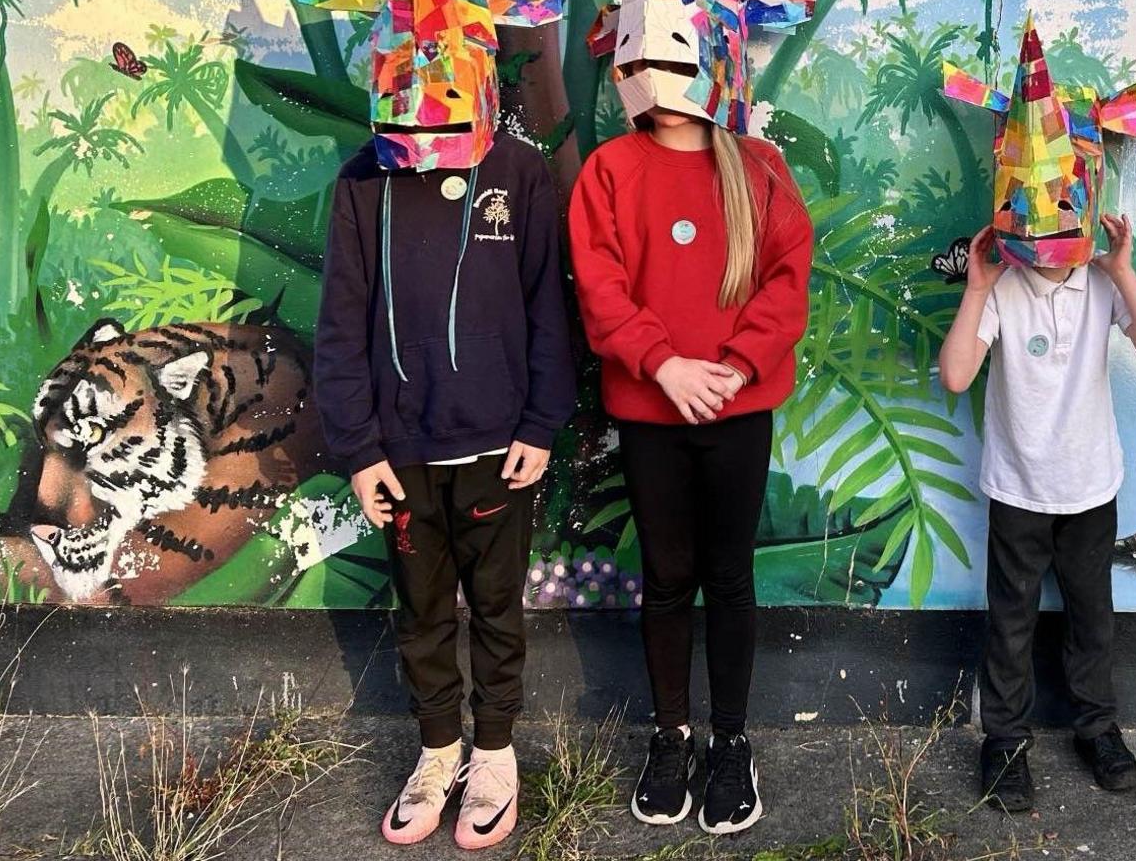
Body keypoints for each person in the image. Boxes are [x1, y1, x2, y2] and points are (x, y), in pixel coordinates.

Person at [316, 132, 576, 849]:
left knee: (496, 606)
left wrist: (541, 421)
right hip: (401, 452)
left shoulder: (518, 170)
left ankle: (493, 753)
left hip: (498, 442)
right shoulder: (364, 176)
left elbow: (546, 301)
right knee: (421, 610)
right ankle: (438, 750)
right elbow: (340, 319)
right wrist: (360, 448)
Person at [568, 106, 814, 835]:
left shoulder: (760, 166)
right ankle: (670, 734)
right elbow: (600, 280)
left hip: (738, 410)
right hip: (652, 413)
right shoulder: (611, 168)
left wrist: (735, 369)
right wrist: (664, 364)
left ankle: (731, 740)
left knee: (730, 574)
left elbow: (786, 276)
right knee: (669, 576)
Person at [936, 216, 1136, 813]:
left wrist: (1121, 271)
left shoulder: (1100, 282)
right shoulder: (1004, 286)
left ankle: (1097, 728)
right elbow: (956, 373)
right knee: (1010, 622)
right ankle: (1005, 741)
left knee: (1092, 618)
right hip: (1018, 487)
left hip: (1091, 486)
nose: (1054, 224)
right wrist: (976, 288)